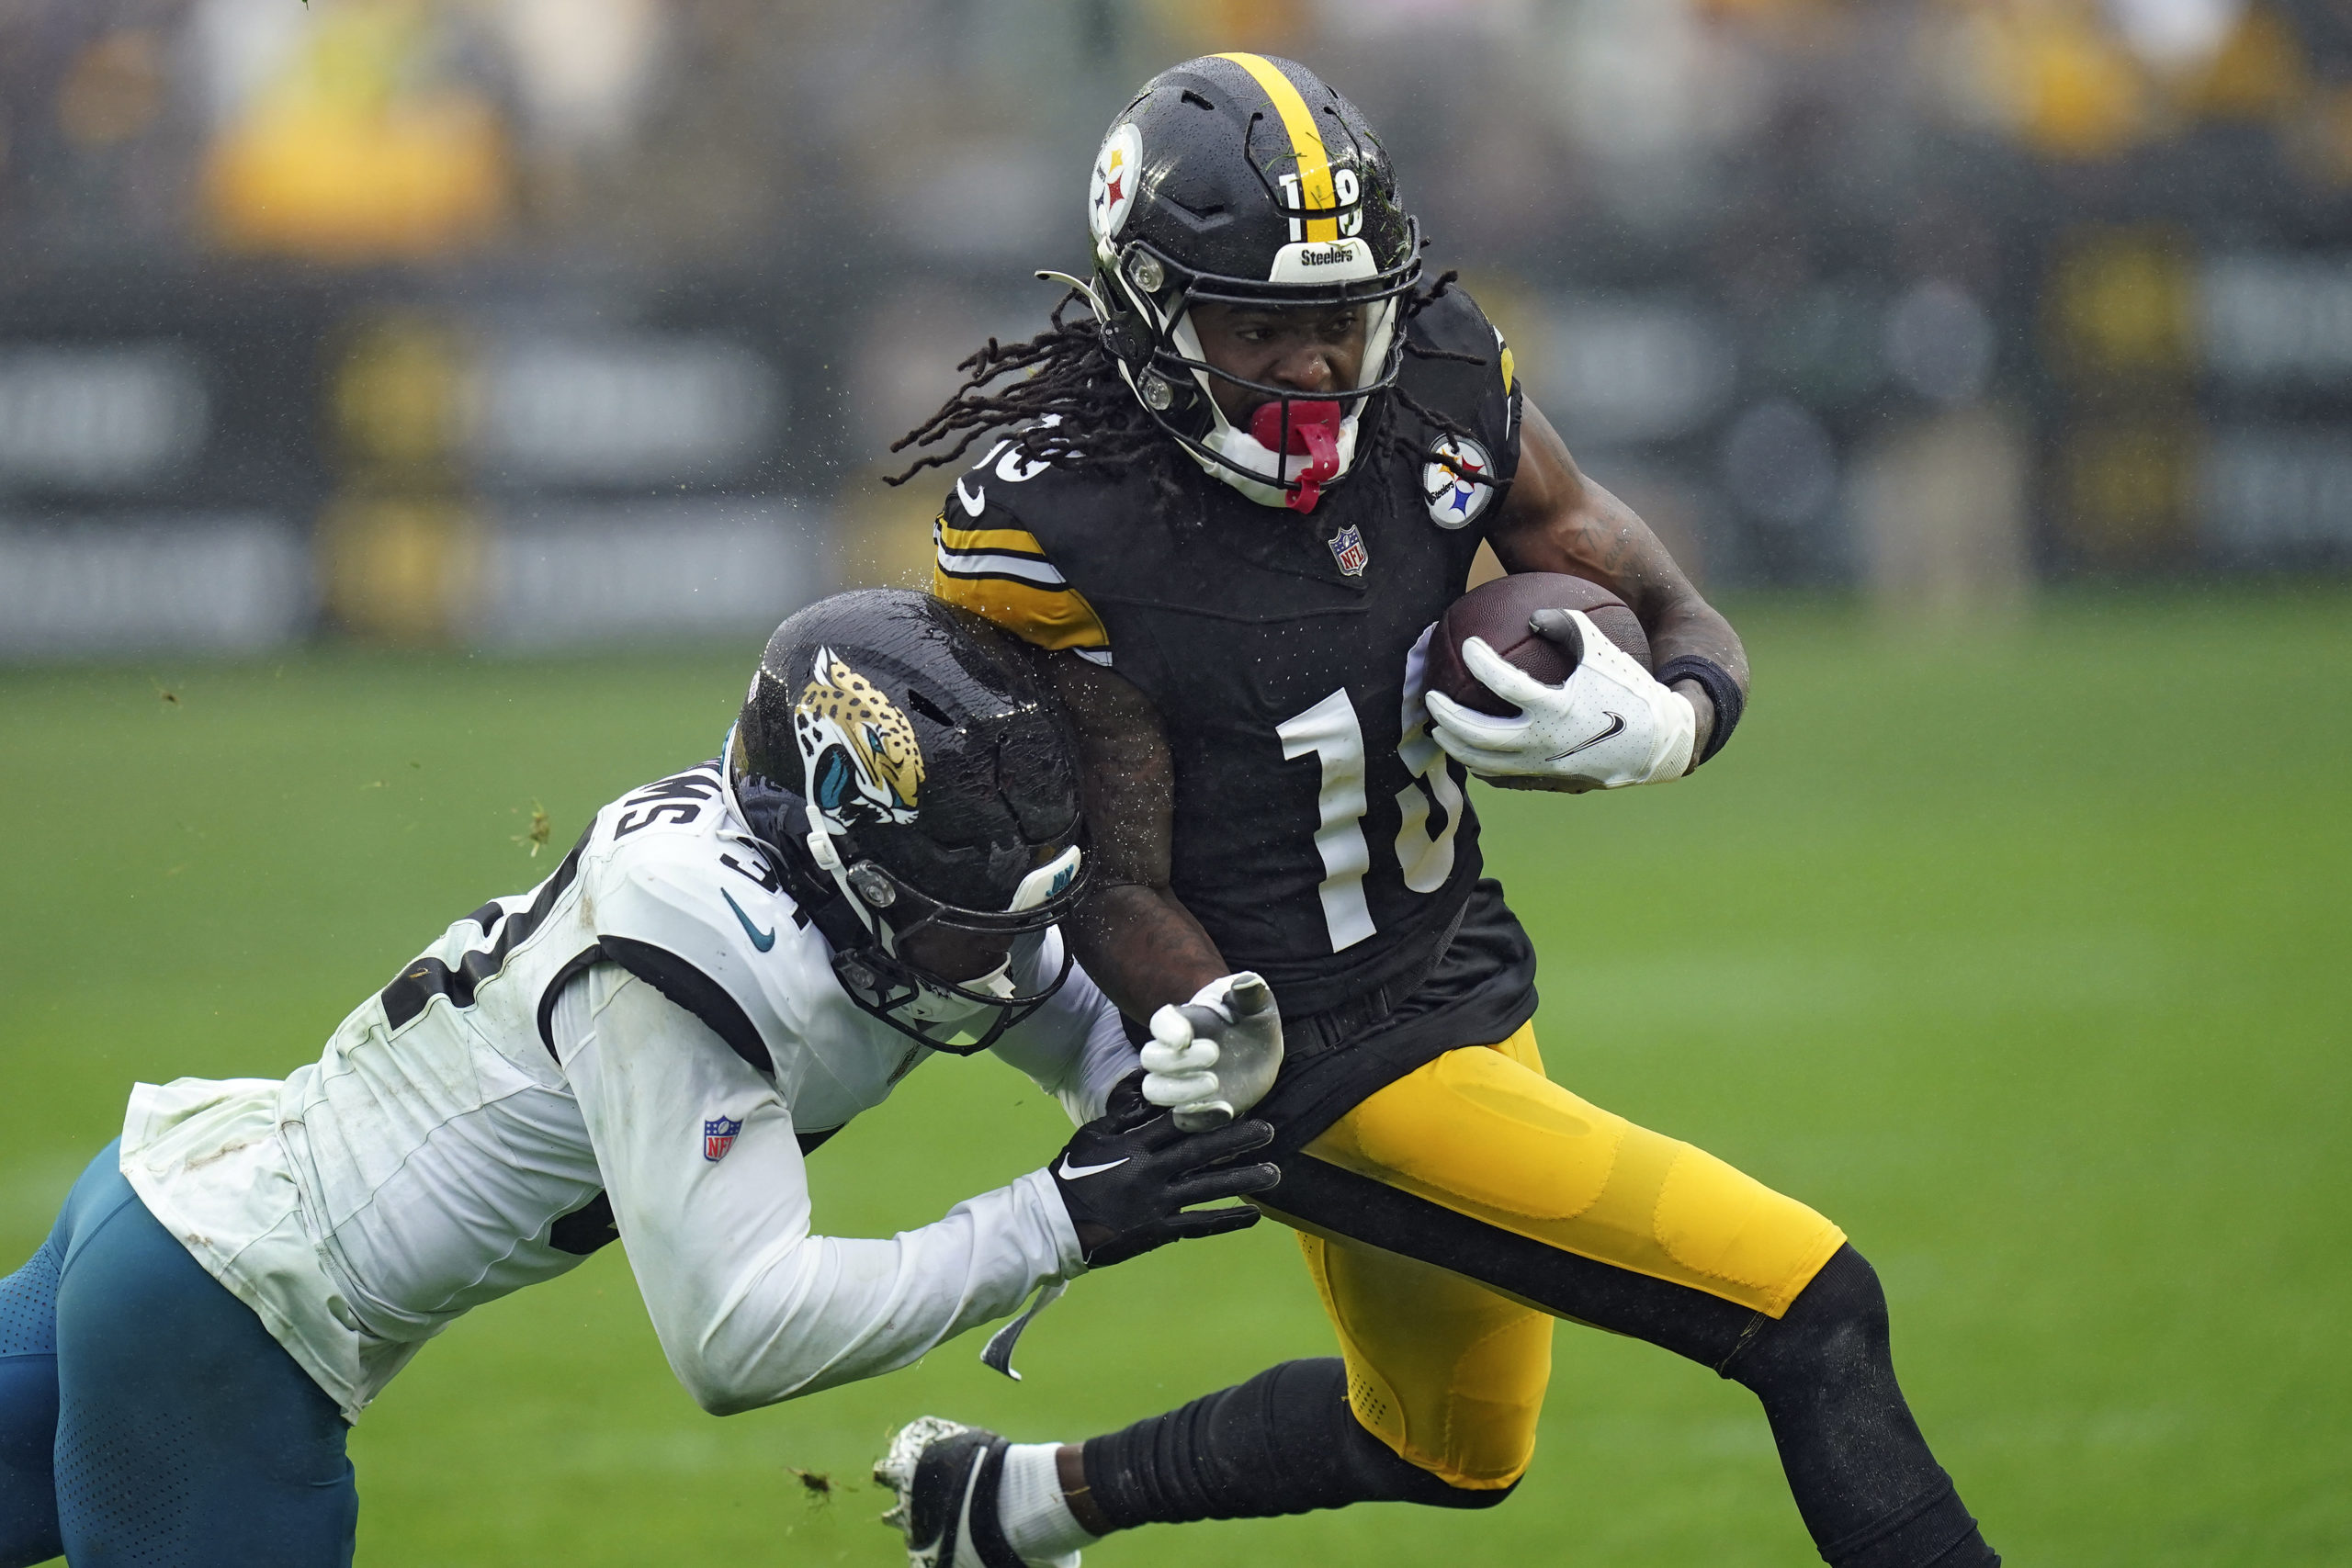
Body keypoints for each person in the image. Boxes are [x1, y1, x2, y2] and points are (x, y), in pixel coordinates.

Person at [877, 52, 1999, 1568]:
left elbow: (1644, 579)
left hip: (1459, 960)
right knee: (1813, 1310)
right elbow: (1109, 868)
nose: (1315, 373)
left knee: (1452, 1445)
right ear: (1149, 312)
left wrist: (1680, 719)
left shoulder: (1441, 369)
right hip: (1308, 1049)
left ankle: (1004, 1507)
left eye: (1338, 323)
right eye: (1261, 332)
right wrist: (1222, 1025)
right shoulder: (1060, 516)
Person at [0, 589, 1278, 1568]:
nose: (1004, 952)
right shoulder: (698, 949)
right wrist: (1054, 1218)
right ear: (836, 842)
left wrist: (1179, 1077)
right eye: (965, 910)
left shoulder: (843, 879)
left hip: (173, 1220)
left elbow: (1071, 1014)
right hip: (228, 1324)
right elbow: (742, 1335)